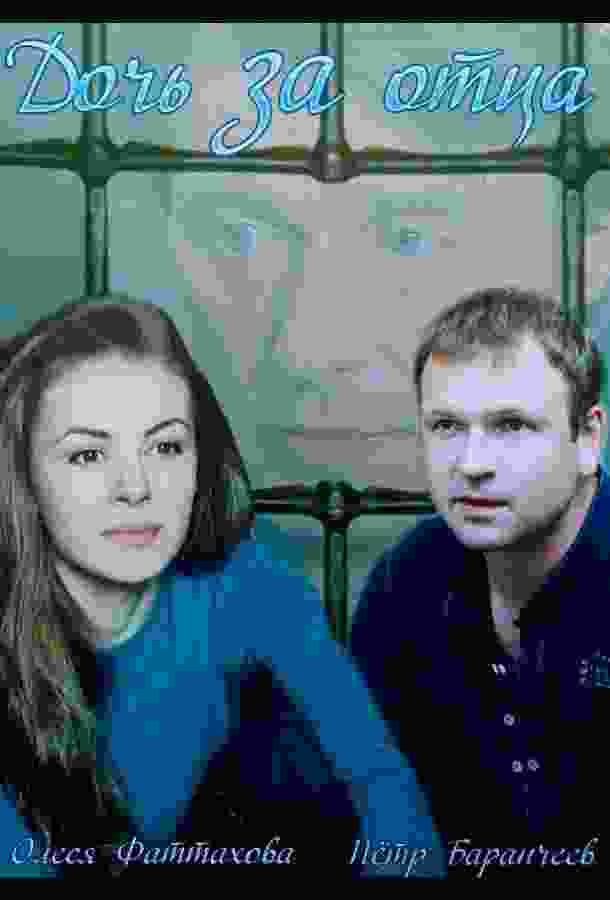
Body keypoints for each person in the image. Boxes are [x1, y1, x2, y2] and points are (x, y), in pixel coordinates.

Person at [0, 294, 445, 881]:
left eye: (165, 446)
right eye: (87, 454)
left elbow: (381, 785)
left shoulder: (241, 575)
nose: (135, 487)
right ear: (24, 477)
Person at [350, 286, 609, 881]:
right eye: (446, 426)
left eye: (512, 426)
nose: (471, 464)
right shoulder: (408, 579)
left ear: (588, 439)